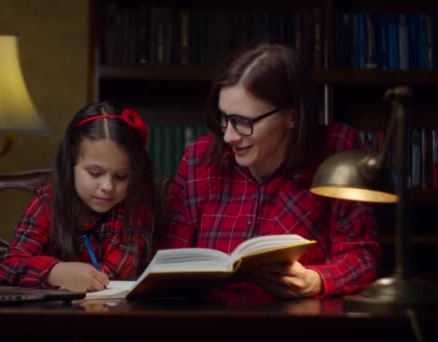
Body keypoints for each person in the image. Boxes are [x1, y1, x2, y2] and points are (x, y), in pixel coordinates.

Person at [158, 43, 381, 298]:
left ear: (292, 115)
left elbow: (361, 256)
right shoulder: (199, 159)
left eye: (243, 122)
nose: (229, 136)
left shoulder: (337, 151)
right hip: (211, 322)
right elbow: (169, 262)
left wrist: (316, 280)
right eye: (224, 117)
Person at [0, 101, 161, 293]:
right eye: (94, 172)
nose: (107, 186)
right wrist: (55, 272)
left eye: (121, 176)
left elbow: (116, 273)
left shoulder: (135, 206)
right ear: (70, 165)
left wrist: (38, 271)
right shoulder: (47, 202)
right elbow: (7, 267)